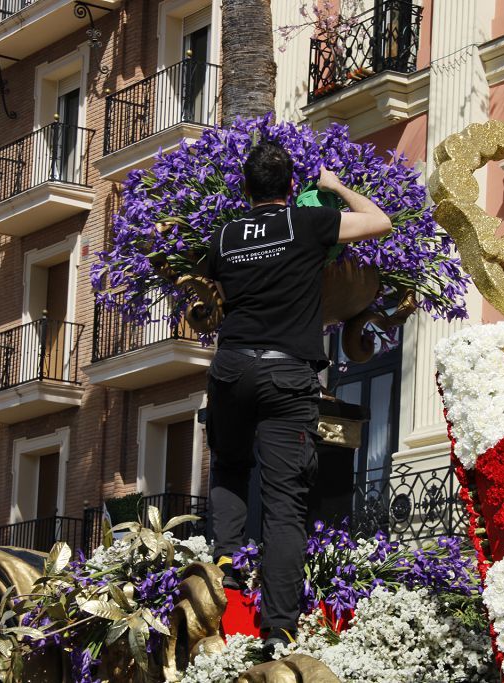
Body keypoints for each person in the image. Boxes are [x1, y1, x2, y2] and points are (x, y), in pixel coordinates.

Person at [205, 141, 392, 655]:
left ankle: (226, 560)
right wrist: (333, 187)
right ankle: (280, 628)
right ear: (292, 188)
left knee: (228, 462)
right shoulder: (307, 225)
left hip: (232, 370)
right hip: (286, 376)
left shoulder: (222, 237)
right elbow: (379, 222)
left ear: (245, 189)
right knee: (285, 507)